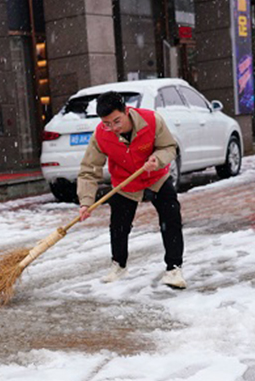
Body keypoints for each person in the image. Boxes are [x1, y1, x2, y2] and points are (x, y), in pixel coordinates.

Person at [77, 91, 185, 288]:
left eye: (117, 121)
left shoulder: (151, 121)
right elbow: (88, 170)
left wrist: (157, 159)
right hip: (125, 182)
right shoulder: (101, 135)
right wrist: (86, 202)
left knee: (171, 217)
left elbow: (169, 147)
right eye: (107, 124)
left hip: (156, 177)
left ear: (126, 111)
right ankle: (118, 265)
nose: (113, 128)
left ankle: (174, 268)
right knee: (119, 225)